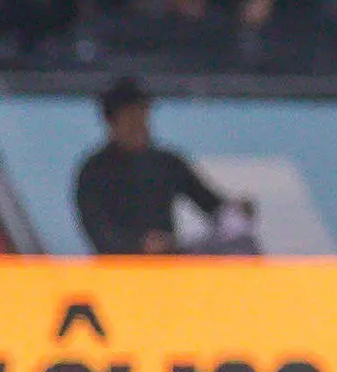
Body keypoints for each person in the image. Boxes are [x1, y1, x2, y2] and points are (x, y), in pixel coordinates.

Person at [73, 76, 255, 254]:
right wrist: (139, 245)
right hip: (118, 273)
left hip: (167, 269)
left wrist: (234, 210)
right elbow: (97, 230)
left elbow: (211, 205)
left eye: (142, 115)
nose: (139, 125)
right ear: (111, 122)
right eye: (130, 118)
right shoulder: (94, 172)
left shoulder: (166, 163)